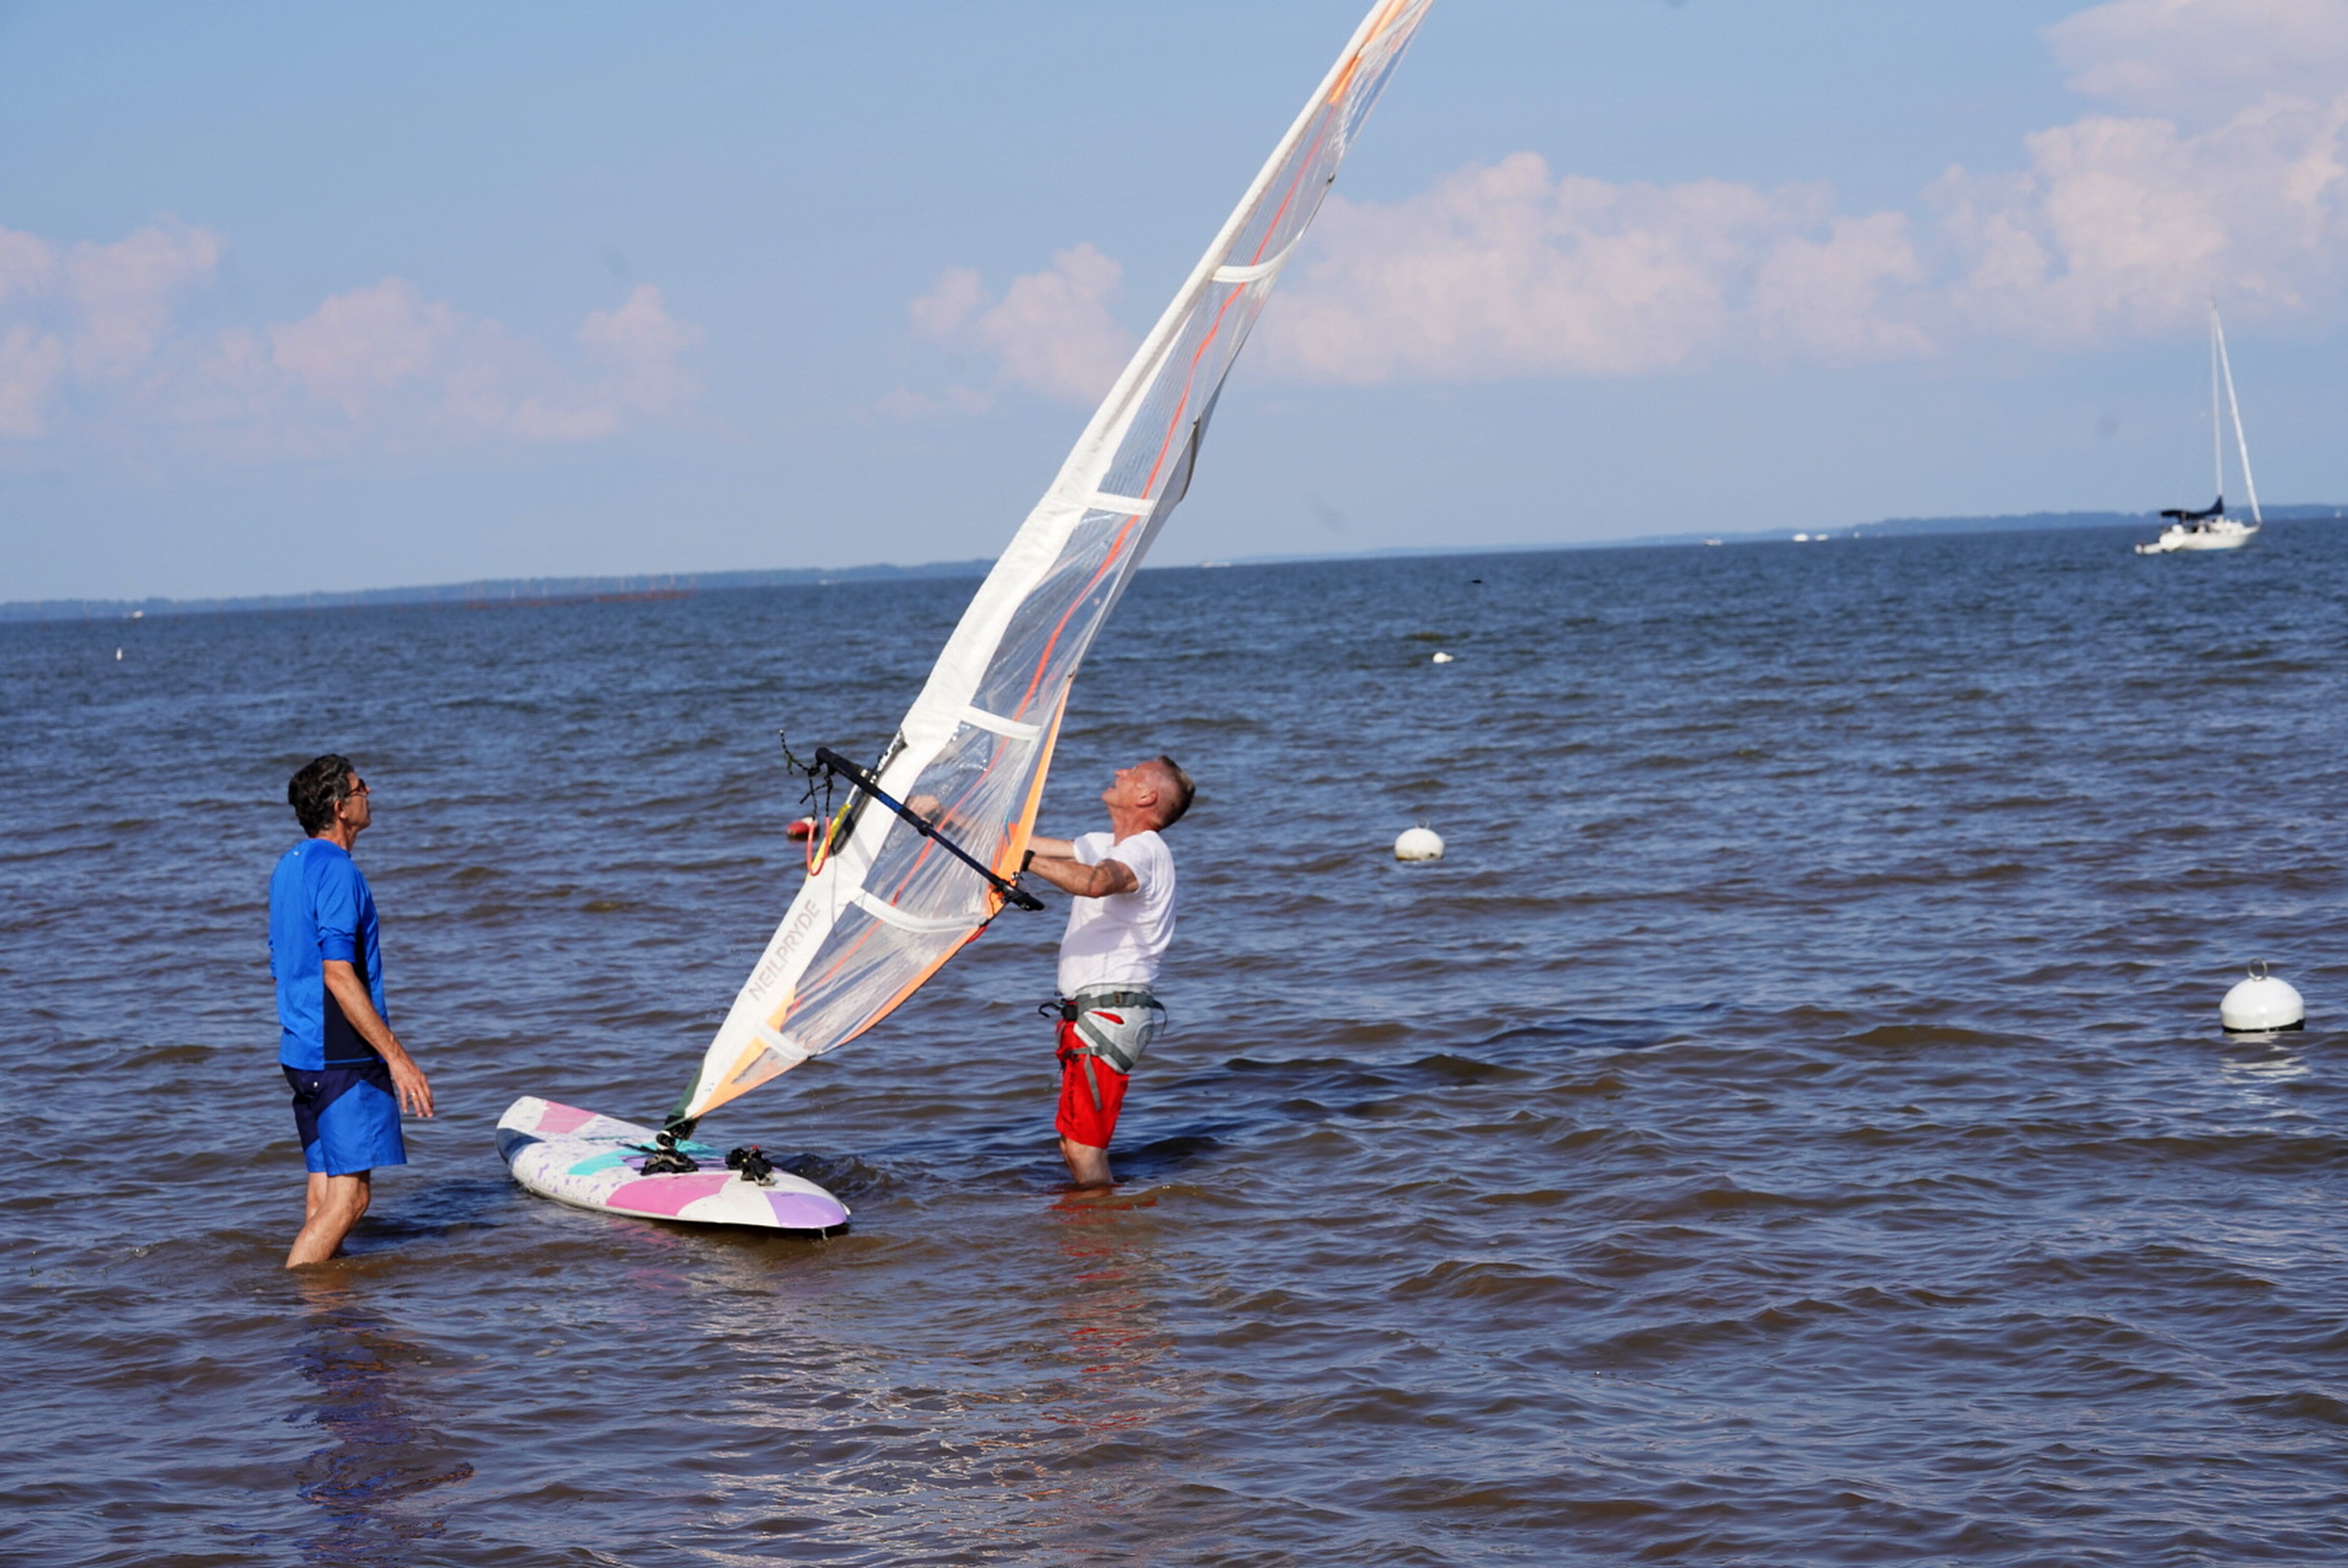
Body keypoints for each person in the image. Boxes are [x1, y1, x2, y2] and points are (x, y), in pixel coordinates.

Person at [269, 754, 433, 1267]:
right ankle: (295, 1303)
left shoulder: (289, 865)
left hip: (300, 1052)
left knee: (324, 1191)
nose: (371, 794)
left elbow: (283, 961)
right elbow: (338, 974)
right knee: (353, 1198)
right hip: (341, 1054)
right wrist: (397, 1059)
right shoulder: (339, 872)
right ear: (341, 808)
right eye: (363, 788)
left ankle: (325, 1329)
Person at [1023, 756, 1194, 1187]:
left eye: (1132, 772)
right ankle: (1096, 1234)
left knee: (1083, 1148)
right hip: (1093, 1015)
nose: (1119, 771)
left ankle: (1110, 1240)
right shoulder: (1110, 845)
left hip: (1107, 1016)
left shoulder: (1145, 850)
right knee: (1074, 1144)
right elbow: (1017, 841)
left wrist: (1022, 859)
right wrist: (943, 819)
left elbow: (1095, 883)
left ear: (1146, 796)